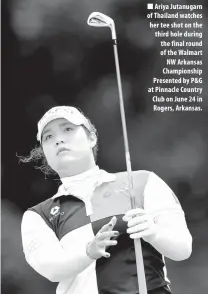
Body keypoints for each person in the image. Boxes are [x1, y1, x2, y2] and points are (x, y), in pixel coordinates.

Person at [21, 105, 192, 294]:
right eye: (48, 137)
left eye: (68, 129)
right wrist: (88, 252)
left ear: (91, 138)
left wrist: (154, 234)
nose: (58, 139)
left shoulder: (143, 181)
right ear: (44, 151)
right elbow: (52, 270)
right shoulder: (39, 215)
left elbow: (183, 249)